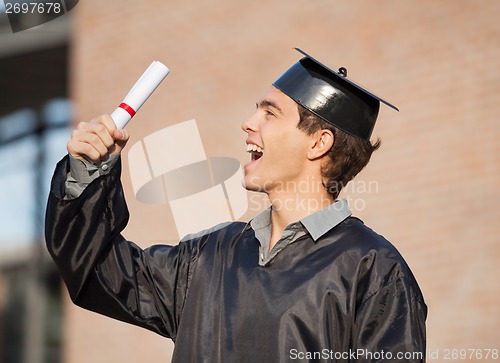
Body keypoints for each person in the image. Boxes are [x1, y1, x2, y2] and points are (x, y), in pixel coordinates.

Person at [45, 49, 427, 362]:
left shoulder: (374, 272)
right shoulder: (206, 258)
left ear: (318, 143)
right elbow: (95, 268)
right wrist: (88, 171)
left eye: (269, 113)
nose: (248, 123)